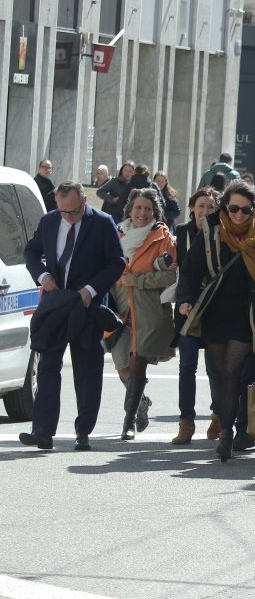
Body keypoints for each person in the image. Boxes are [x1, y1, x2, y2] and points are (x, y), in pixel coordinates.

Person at [176, 180, 255, 462]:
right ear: (225, 207)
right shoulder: (210, 233)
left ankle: (227, 434)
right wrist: (185, 298)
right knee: (222, 374)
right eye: (234, 208)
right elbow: (189, 270)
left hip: (246, 315)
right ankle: (228, 426)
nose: (239, 215)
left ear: (252, 211)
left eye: (245, 210)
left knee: (233, 371)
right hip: (214, 312)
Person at [20, 182, 125, 450]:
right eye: (62, 211)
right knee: (47, 367)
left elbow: (116, 262)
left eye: (73, 211)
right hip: (57, 305)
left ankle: (83, 431)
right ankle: (43, 431)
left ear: (85, 202)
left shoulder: (102, 223)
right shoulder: (49, 221)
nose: (68, 216)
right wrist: (42, 276)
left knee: (87, 369)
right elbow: (31, 251)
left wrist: (91, 290)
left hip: (86, 306)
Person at [109, 189, 178, 440]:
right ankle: (142, 403)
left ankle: (127, 423)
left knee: (138, 365)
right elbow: (107, 266)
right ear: (129, 210)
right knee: (122, 367)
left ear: (155, 211)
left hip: (148, 313)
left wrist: (136, 280)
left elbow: (170, 275)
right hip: (120, 312)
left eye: (147, 208)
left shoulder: (163, 238)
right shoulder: (116, 233)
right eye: (138, 208)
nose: (142, 213)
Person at [171, 187, 222, 445]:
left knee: (215, 368)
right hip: (187, 307)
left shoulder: (222, 233)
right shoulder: (182, 232)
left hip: (214, 308)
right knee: (186, 366)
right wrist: (183, 300)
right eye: (201, 206)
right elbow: (181, 271)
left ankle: (218, 417)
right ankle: (186, 422)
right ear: (192, 208)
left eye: (210, 207)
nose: (205, 211)